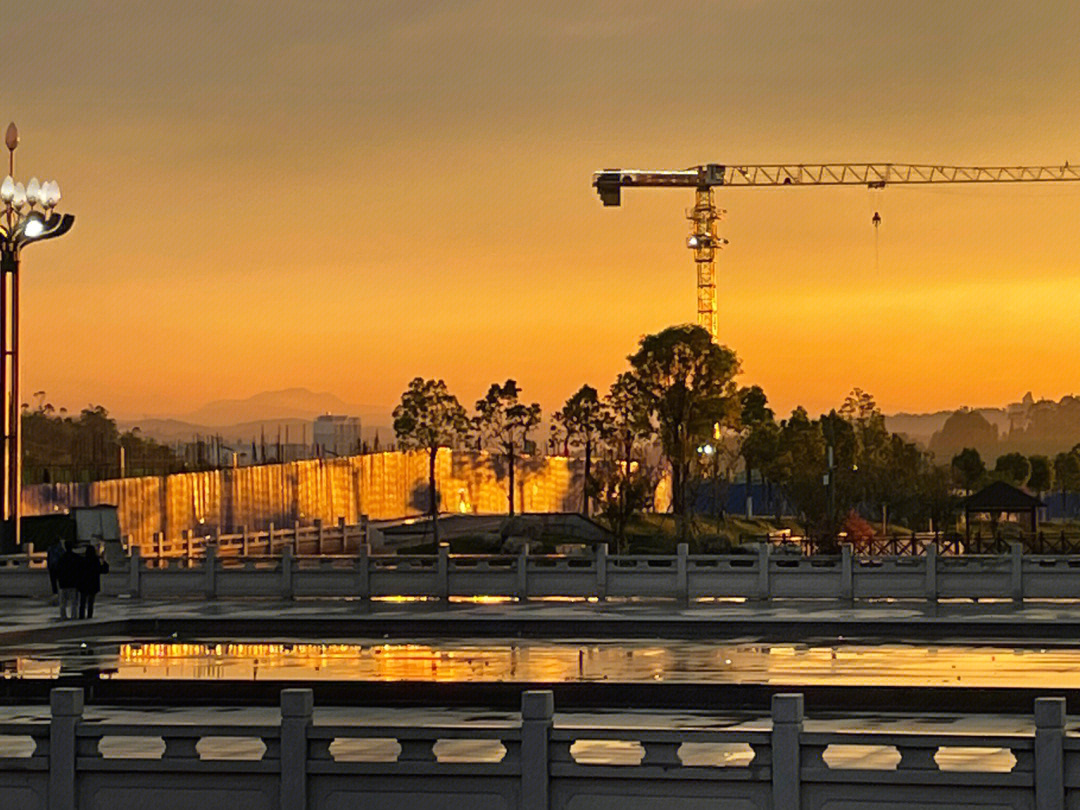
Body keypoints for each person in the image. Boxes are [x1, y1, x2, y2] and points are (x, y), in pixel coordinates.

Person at [77, 544, 108, 620]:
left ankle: (81, 616)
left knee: (82, 602)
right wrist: (104, 561)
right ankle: (89, 615)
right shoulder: (95, 560)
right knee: (90, 602)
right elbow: (103, 570)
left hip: (83, 583)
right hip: (93, 583)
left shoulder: (82, 560)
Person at [54, 540, 81, 620]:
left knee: (63, 602)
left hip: (63, 582)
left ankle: (63, 616)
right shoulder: (76, 558)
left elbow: (57, 570)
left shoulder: (61, 558)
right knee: (74, 602)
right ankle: (74, 615)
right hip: (73, 582)